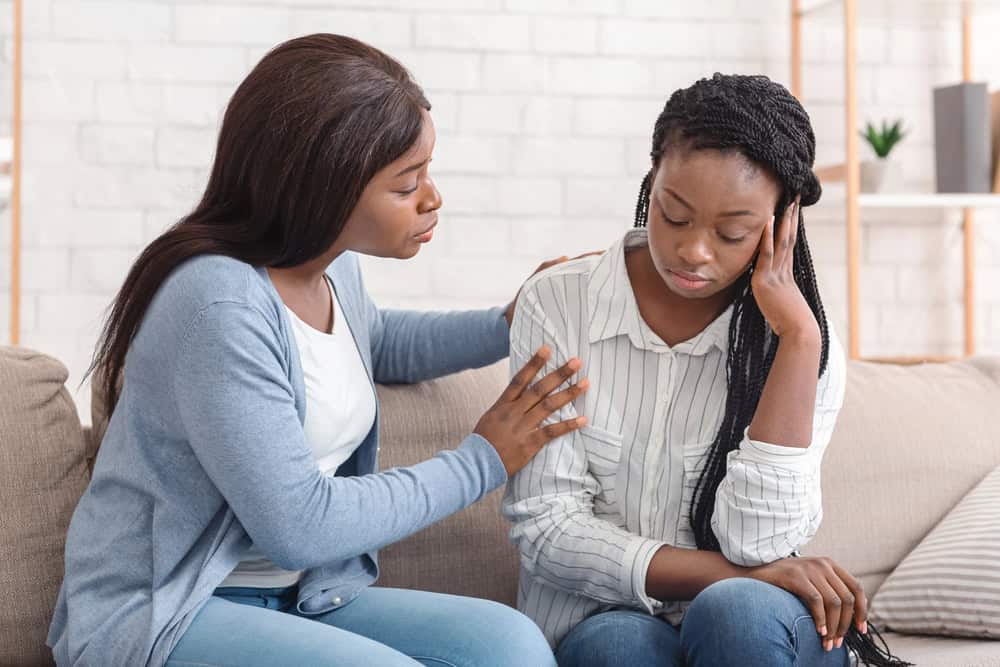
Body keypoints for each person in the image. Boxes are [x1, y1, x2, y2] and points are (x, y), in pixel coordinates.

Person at [47, 34, 591, 667]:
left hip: (298, 596)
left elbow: (374, 341)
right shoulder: (219, 305)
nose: (432, 197)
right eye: (406, 184)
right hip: (167, 610)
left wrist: (507, 323)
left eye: (427, 172)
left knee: (509, 644)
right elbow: (301, 525)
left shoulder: (328, 268)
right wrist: (483, 460)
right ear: (322, 188)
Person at [503, 73, 910, 667]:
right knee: (614, 645)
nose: (694, 251)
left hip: (753, 626)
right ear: (652, 179)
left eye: (732, 232)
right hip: (603, 618)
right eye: (675, 216)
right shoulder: (559, 305)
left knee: (733, 612)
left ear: (783, 220)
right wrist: (739, 573)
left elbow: (760, 544)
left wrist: (798, 343)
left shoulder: (803, 343)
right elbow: (548, 529)